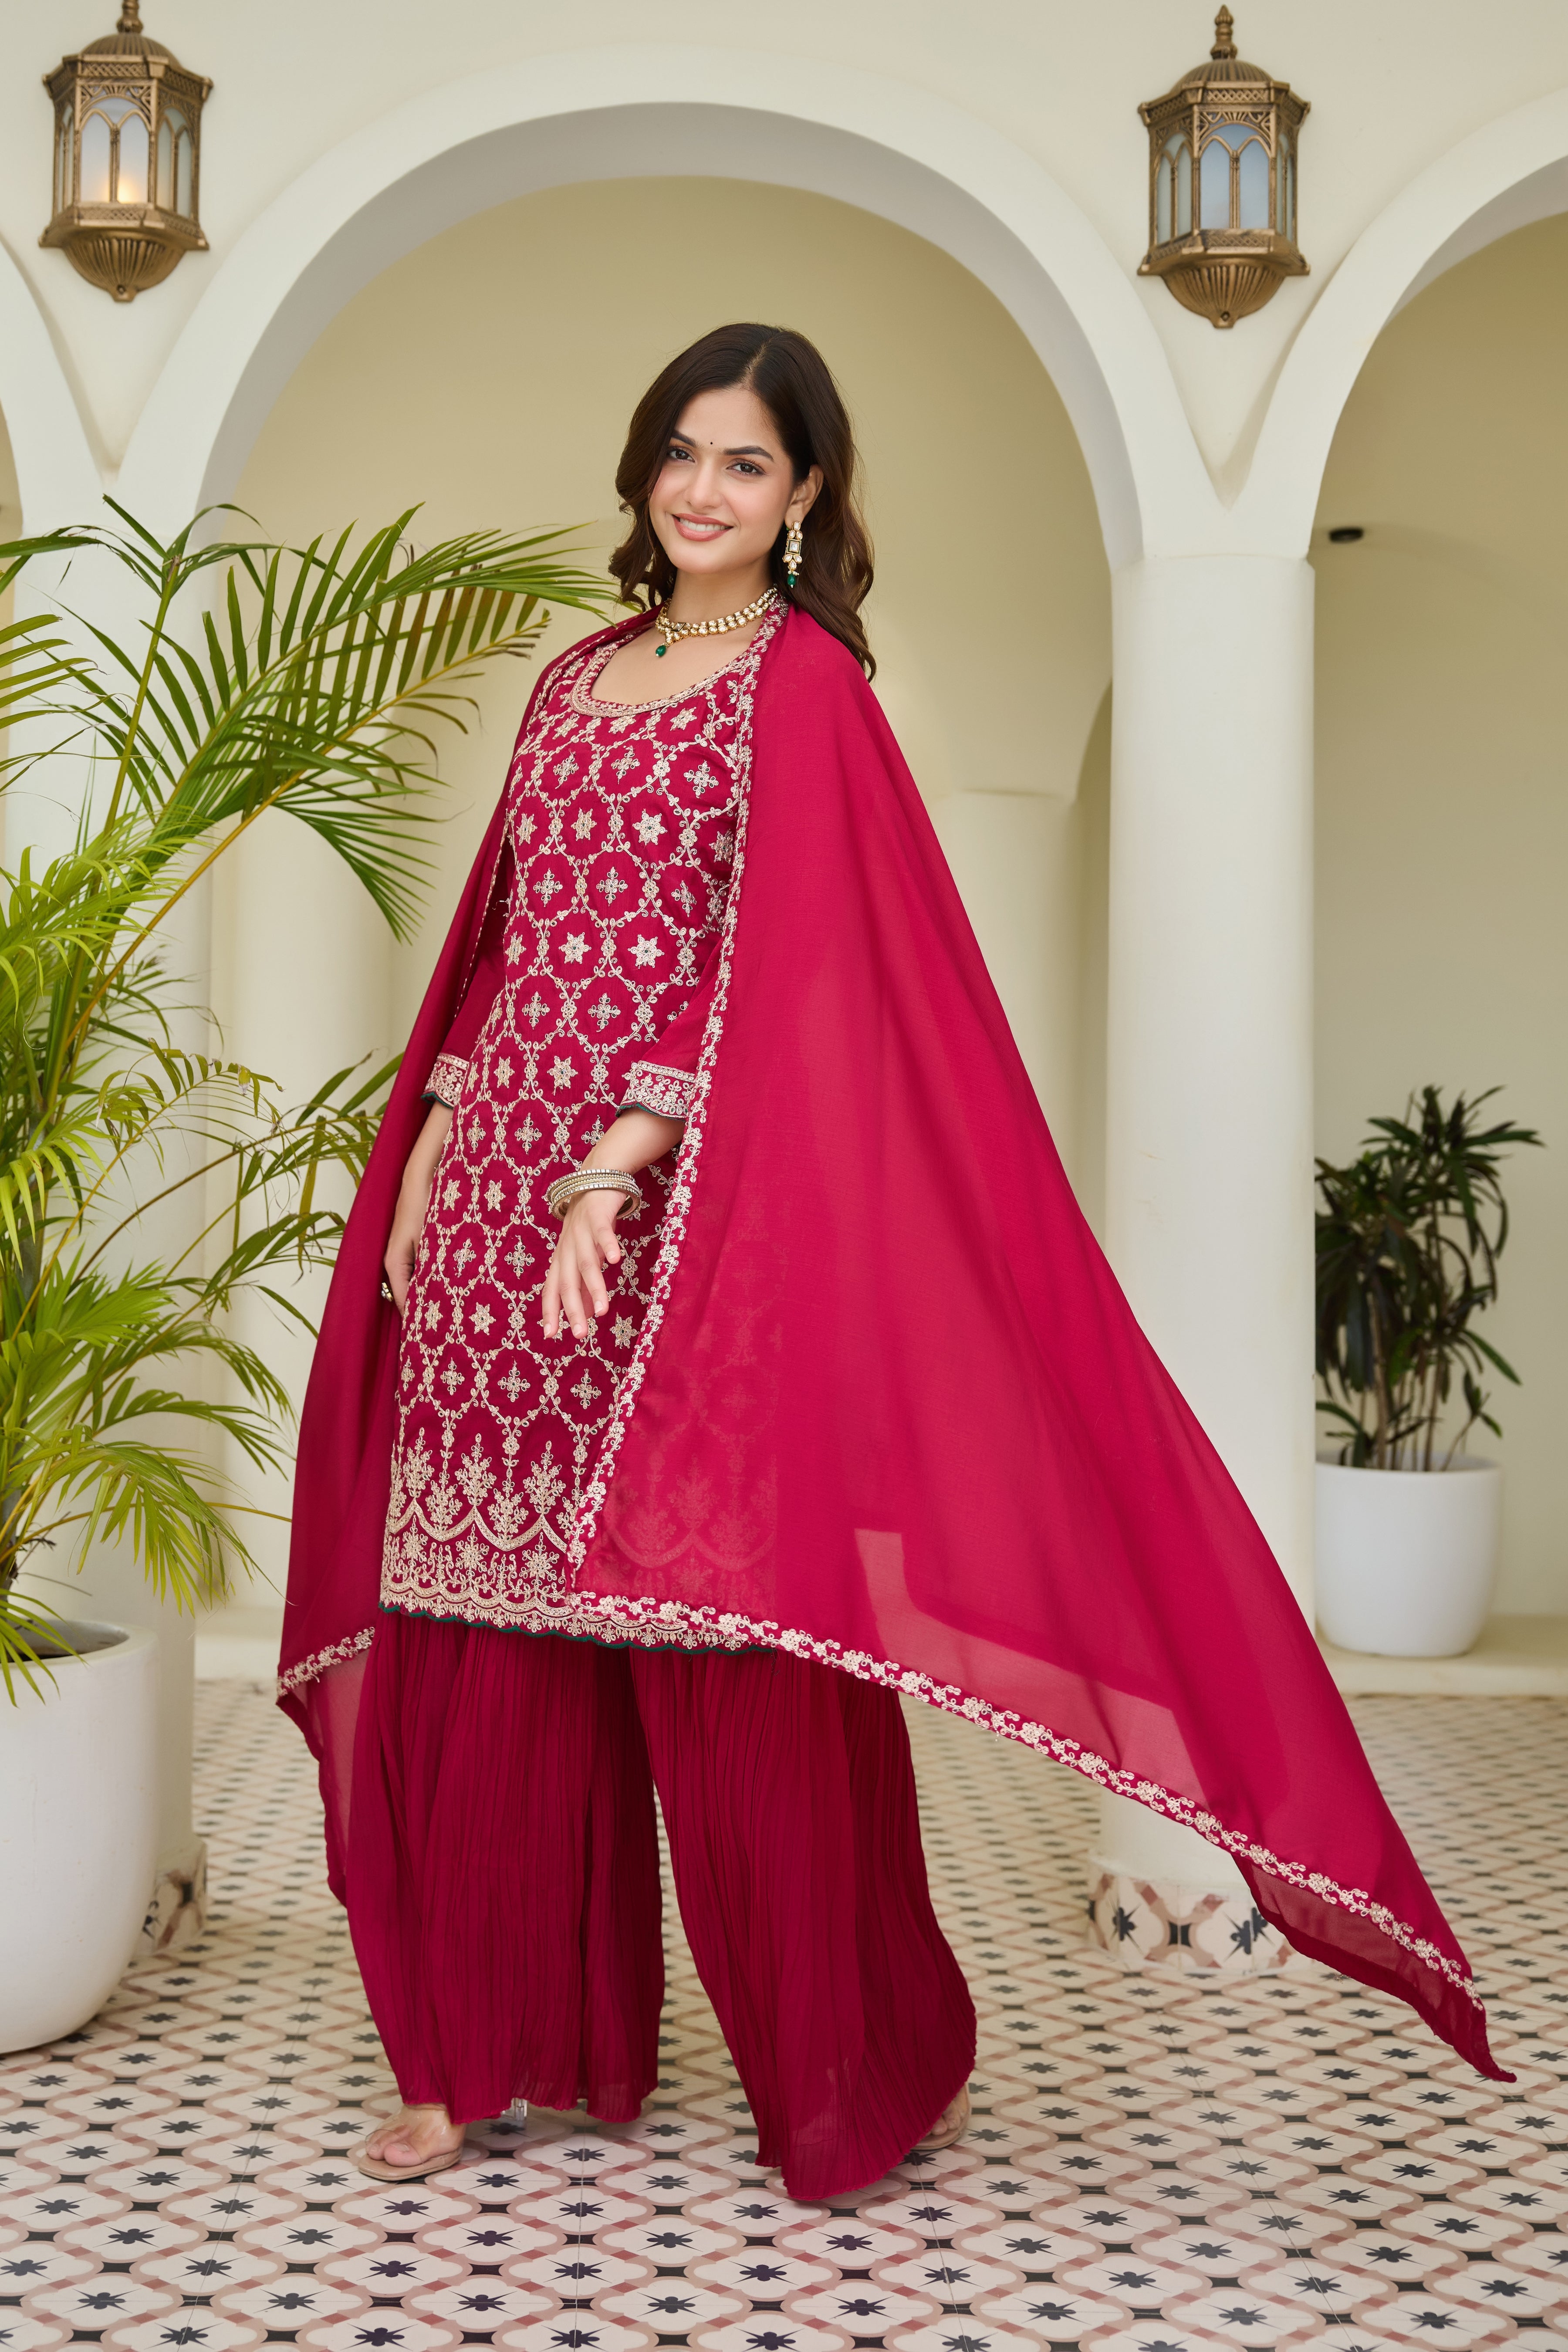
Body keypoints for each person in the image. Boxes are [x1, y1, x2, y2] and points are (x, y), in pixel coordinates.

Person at [280, 324, 1505, 2198]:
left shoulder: (809, 692)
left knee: (739, 1654)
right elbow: (514, 934)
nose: (703, 488)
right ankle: (486, 2051)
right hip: (492, 1238)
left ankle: (845, 2074)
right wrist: (445, 1126)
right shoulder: (574, 679)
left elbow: (798, 979)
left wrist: (622, 1156)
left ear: (810, 494)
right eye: (682, 451)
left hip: (689, 1244)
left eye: (747, 463)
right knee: (483, 1644)